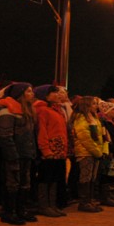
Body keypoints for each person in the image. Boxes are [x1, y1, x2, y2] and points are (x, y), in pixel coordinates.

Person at [0, 82, 38, 225]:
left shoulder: (27, 111)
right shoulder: (7, 111)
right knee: (12, 183)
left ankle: (21, 210)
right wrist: (12, 156)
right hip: (14, 155)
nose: (32, 94)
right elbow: (5, 136)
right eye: (29, 91)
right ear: (19, 94)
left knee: (24, 183)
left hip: (26, 153)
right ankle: (9, 212)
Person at [33, 84, 69, 217]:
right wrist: (46, 150)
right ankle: (43, 205)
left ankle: (52, 205)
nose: (58, 95)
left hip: (59, 150)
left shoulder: (57, 110)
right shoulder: (42, 110)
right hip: (49, 151)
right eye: (54, 93)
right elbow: (42, 131)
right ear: (45, 96)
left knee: (55, 178)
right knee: (46, 178)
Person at [72, 96, 107, 212]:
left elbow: (98, 136)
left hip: (94, 152)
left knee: (92, 177)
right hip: (86, 152)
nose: (96, 106)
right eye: (93, 104)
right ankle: (84, 203)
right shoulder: (81, 119)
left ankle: (90, 200)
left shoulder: (94, 118)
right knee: (85, 177)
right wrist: (97, 151)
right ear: (86, 106)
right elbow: (85, 138)